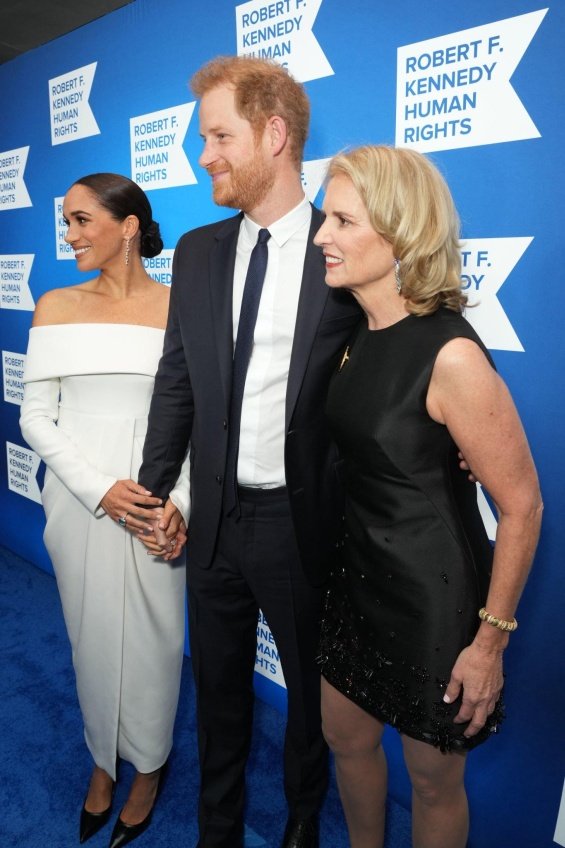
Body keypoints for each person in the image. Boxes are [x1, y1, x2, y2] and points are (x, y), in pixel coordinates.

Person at [138, 56, 360, 848]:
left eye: (219, 136)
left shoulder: (345, 251)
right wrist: (155, 490)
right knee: (219, 689)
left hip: (303, 524)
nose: (205, 156)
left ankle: (303, 818)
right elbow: (177, 381)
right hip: (213, 524)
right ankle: (217, 827)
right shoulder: (196, 252)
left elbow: (406, 358)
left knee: (309, 695)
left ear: (274, 135)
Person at [313, 145, 543, 848]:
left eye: (343, 221)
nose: (322, 236)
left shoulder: (451, 356)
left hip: (431, 603)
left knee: (433, 779)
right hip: (353, 583)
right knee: (343, 739)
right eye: (326, 218)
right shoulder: (355, 335)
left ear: (400, 230)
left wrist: (488, 643)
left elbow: (523, 506)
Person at [19, 173, 189, 848]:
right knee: (89, 632)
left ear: (127, 226)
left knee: (154, 636)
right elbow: (36, 416)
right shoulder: (55, 304)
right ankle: (101, 761)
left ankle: (147, 768)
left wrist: (178, 504)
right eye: (66, 221)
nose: (69, 234)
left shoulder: (184, 308)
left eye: (82, 220)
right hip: (80, 496)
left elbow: (199, 418)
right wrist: (97, 488)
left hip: (157, 495)